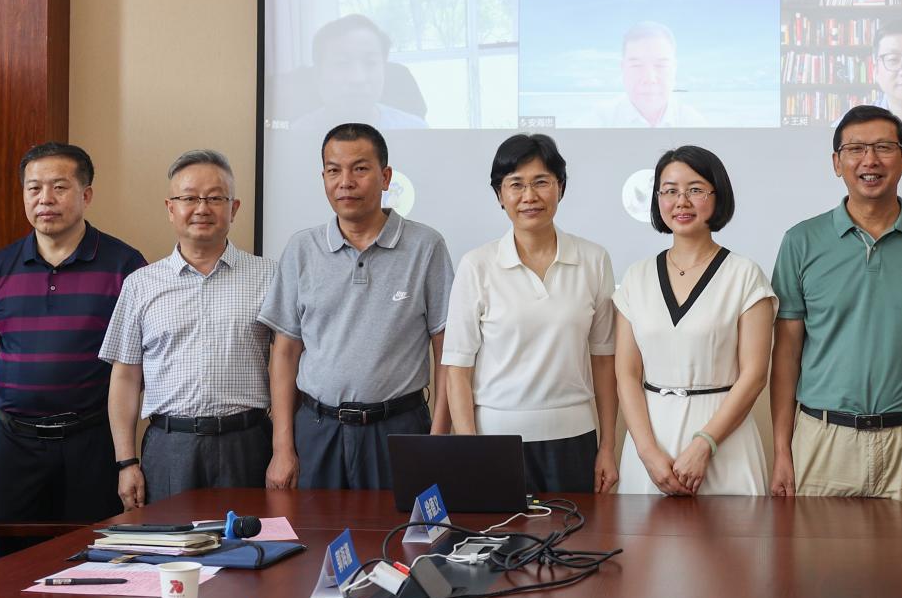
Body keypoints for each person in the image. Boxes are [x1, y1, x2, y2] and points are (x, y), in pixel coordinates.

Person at [770, 105, 902, 559]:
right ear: (836, 162)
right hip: (823, 440)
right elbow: (786, 355)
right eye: (856, 149)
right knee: (819, 580)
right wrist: (782, 450)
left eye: (884, 148)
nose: (870, 160)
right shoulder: (801, 242)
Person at [259, 123, 452, 490]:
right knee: (313, 527)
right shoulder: (302, 249)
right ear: (324, 178)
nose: (345, 182)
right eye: (334, 170)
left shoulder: (426, 246)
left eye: (360, 169)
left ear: (386, 177)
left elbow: (446, 350)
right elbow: (284, 354)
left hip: (399, 429)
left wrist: (438, 439)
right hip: (317, 430)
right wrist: (281, 447)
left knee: (398, 527)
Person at [0, 143, 145, 526]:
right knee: (12, 555)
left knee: (94, 549)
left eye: (59, 187)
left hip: (93, 440)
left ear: (86, 195)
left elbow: (137, 362)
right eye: (34, 188)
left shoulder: (125, 266)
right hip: (14, 443)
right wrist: (29, 393)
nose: (45, 199)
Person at [443, 133, 620, 493]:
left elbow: (604, 361)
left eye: (541, 182)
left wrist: (607, 447)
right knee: (499, 531)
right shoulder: (477, 265)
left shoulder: (593, 259)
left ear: (560, 187)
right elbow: (457, 370)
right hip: (495, 443)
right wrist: (470, 451)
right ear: (499, 195)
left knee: (578, 530)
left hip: (574, 440)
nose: (529, 196)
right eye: (516, 184)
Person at [100, 150, 276, 508]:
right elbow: (125, 378)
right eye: (189, 198)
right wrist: (126, 462)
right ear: (170, 208)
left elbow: (290, 365)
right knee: (172, 541)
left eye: (215, 198)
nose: (202, 208)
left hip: (248, 443)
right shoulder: (140, 285)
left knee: (251, 540)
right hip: (170, 445)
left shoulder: (269, 276)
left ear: (234, 208)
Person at [614, 146, 775, 497]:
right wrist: (647, 452)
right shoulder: (636, 277)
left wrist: (705, 445)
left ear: (718, 195)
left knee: (732, 533)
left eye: (695, 189)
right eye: (670, 191)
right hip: (650, 445)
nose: (681, 202)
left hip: (725, 444)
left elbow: (754, 375)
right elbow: (626, 373)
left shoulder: (744, 275)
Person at [288, 15, 427, 134]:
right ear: (318, 74)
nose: (357, 79)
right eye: (342, 63)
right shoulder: (295, 136)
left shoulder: (416, 131)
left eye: (370, 63)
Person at [596, 21, 710, 128]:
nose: (650, 78)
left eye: (661, 65)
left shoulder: (692, 122)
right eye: (637, 65)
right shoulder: (601, 119)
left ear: (674, 69)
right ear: (623, 69)